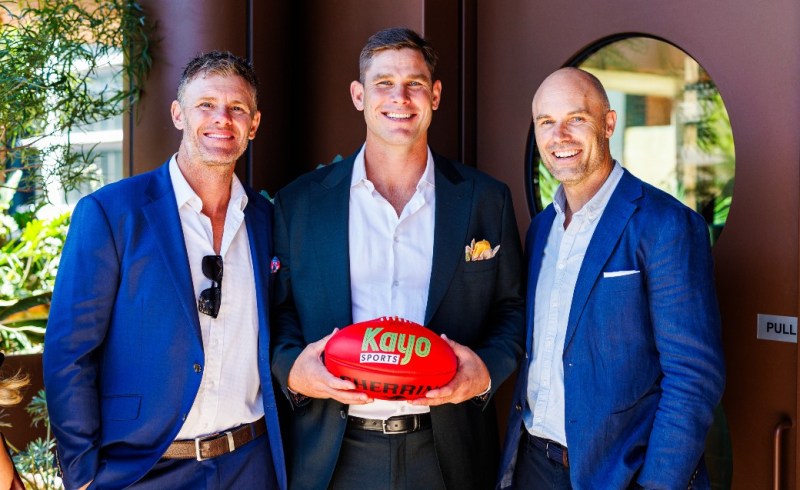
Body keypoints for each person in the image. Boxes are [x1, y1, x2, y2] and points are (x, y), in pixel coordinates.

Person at [271, 27, 525, 490]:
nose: (400, 98)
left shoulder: (486, 200)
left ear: (436, 95)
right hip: (334, 452)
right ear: (358, 95)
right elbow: (280, 310)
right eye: (384, 83)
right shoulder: (300, 203)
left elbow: (512, 309)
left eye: (415, 83)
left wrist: (484, 372)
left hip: (447, 452)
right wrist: (293, 370)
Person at [43, 51, 286, 490]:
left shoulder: (267, 219)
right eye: (205, 105)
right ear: (178, 114)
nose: (222, 119)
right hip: (143, 470)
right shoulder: (111, 212)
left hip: (249, 465)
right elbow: (69, 352)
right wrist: (80, 475)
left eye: (237, 109)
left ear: (254, 123)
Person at [497, 67, 726, 489]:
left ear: (608, 123)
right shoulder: (541, 229)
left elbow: (693, 379)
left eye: (576, 119)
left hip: (620, 473)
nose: (559, 135)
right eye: (546, 122)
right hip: (532, 463)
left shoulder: (666, 225)